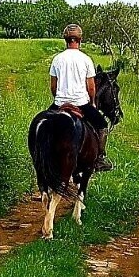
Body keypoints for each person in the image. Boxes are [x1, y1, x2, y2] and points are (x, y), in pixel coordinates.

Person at [48, 23, 113, 172]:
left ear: (65, 40)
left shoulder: (57, 59)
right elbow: (91, 87)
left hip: (59, 103)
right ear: (80, 40)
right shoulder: (86, 59)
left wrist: (58, 99)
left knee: (45, 123)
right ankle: (100, 159)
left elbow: (53, 86)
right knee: (102, 125)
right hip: (81, 103)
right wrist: (92, 102)